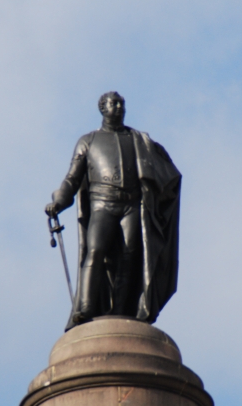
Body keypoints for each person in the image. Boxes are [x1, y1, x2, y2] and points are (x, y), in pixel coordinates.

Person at [45, 91, 181, 329]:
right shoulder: (88, 141)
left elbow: (165, 169)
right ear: (102, 108)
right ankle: (84, 308)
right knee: (96, 250)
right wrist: (58, 201)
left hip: (132, 205)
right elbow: (71, 180)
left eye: (121, 104)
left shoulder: (137, 139)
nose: (118, 107)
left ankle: (121, 310)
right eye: (113, 104)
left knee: (130, 256)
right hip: (102, 203)